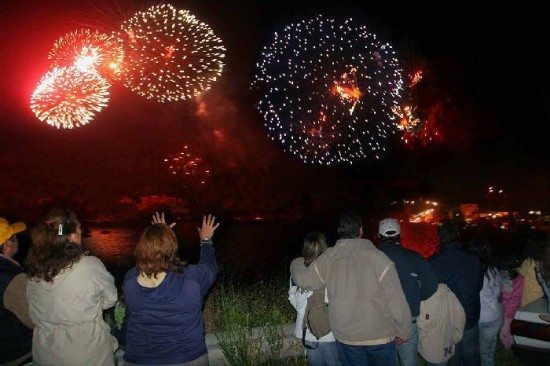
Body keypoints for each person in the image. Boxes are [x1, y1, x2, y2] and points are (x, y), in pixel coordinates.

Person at [290, 211, 411, 366]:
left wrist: (297, 262)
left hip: (347, 338)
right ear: (361, 230)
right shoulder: (379, 258)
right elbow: (396, 298)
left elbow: (304, 280)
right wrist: (404, 330)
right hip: (380, 336)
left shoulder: (327, 259)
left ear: (339, 231)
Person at [123, 212, 219, 366]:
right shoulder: (192, 280)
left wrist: (158, 237)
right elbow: (210, 267)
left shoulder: (130, 281)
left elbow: (150, 265)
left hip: (139, 359)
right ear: (172, 248)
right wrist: (205, 240)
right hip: (188, 358)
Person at [26, 208, 118, 365]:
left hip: (45, 353)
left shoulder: (34, 270)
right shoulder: (89, 266)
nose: (81, 232)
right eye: (80, 227)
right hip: (86, 353)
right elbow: (110, 299)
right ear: (73, 235)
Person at [377, 218, 439, 366]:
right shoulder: (414, 257)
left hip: (380, 321)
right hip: (408, 319)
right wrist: (416, 297)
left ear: (380, 236)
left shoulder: (371, 257)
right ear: (400, 235)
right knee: (409, 362)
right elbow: (432, 285)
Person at [429, 220, 483, 366]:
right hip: (470, 315)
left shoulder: (433, 263)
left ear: (439, 237)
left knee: (452, 356)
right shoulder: (473, 259)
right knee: (470, 355)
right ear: (457, 234)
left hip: (448, 320)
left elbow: (429, 295)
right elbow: (478, 286)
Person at [288, 231, 339, 366]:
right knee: (332, 361)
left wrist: (304, 310)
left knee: (314, 362)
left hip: (306, 328)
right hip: (328, 330)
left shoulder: (297, 271)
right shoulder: (329, 270)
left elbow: (292, 297)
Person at [0, 217, 33, 366]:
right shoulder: (12, 277)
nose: (18, 240)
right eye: (15, 237)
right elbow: (34, 318)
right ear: (7, 243)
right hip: (18, 354)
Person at [468, 239, 503, 366]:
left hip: (474, 318)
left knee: (475, 350)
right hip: (492, 317)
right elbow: (497, 293)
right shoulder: (492, 271)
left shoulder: (469, 270)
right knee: (487, 353)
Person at [519, 231, 547, 307]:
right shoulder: (545, 262)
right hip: (542, 300)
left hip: (528, 301)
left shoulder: (529, 262)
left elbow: (519, 277)